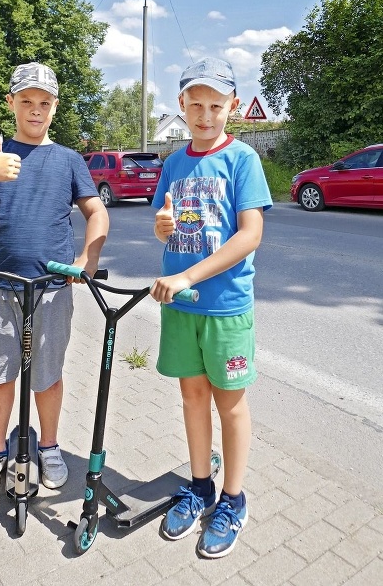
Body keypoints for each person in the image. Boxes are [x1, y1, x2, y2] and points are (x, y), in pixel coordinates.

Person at [0, 62, 109, 496]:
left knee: (48, 374)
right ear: (12, 104)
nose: (35, 110)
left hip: (52, 290)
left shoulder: (69, 159)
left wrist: (88, 260)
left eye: (44, 103)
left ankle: (50, 446)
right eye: (27, 102)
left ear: (54, 107)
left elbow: (96, 211)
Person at [150, 56, 272, 558]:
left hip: (224, 308)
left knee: (230, 403)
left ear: (232, 107)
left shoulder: (242, 158)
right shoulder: (174, 162)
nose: (205, 115)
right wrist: (162, 223)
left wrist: (186, 276)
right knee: (192, 399)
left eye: (215, 105)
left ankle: (233, 499)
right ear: (181, 105)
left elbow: (251, 233)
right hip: (182, 309)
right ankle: (199, 485)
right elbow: (165, 211)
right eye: (195, 104)